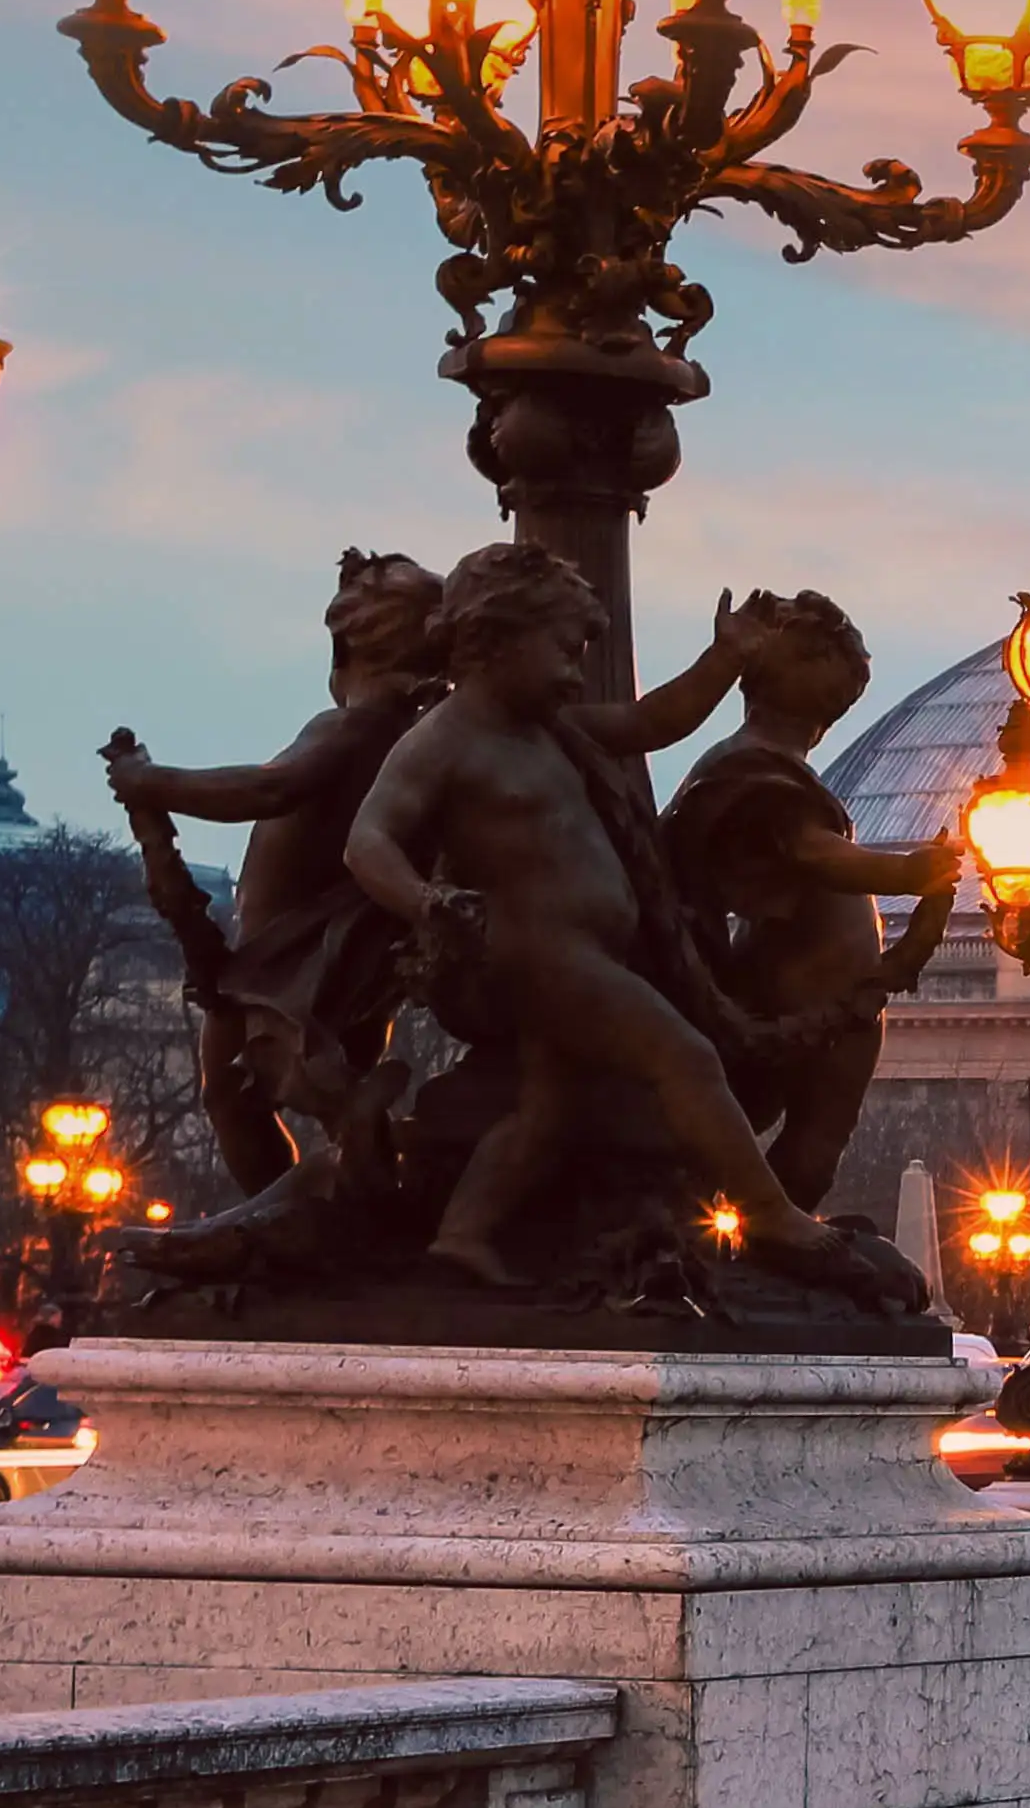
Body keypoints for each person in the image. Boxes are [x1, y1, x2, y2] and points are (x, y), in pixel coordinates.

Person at [342, 544, 919, 1311]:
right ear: (496, 636)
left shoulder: (547, 726)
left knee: (546, 1112)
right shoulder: (448, 740)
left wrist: (723, 657)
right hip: (546, 954)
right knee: (683, 1056)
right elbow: (367, 840)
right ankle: (770, 1212)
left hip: (578, 954)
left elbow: (655, 719)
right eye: (566, 650)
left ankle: (463, 1234)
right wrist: (424, 900)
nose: (578, 672)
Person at [106, 551, 446, 1220]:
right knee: (289, 1091)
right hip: (317, 947)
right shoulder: (399, 732)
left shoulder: (353, 727)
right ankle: (324, 1208)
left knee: (241, 1094)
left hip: (290, 956)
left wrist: (153, 783)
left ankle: (292, 1218)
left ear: (348, 644)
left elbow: (267, 788)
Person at [649, 591, 954, 1213]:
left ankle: (775, 1236)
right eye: (827, 661)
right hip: (803, 996)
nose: (844, 685)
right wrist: (908, 872)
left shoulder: (770, 763)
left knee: (816, 1141)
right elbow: (813, 854)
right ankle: (772, 1238)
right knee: (807, 1142)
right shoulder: (749, 765)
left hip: (828, 995)